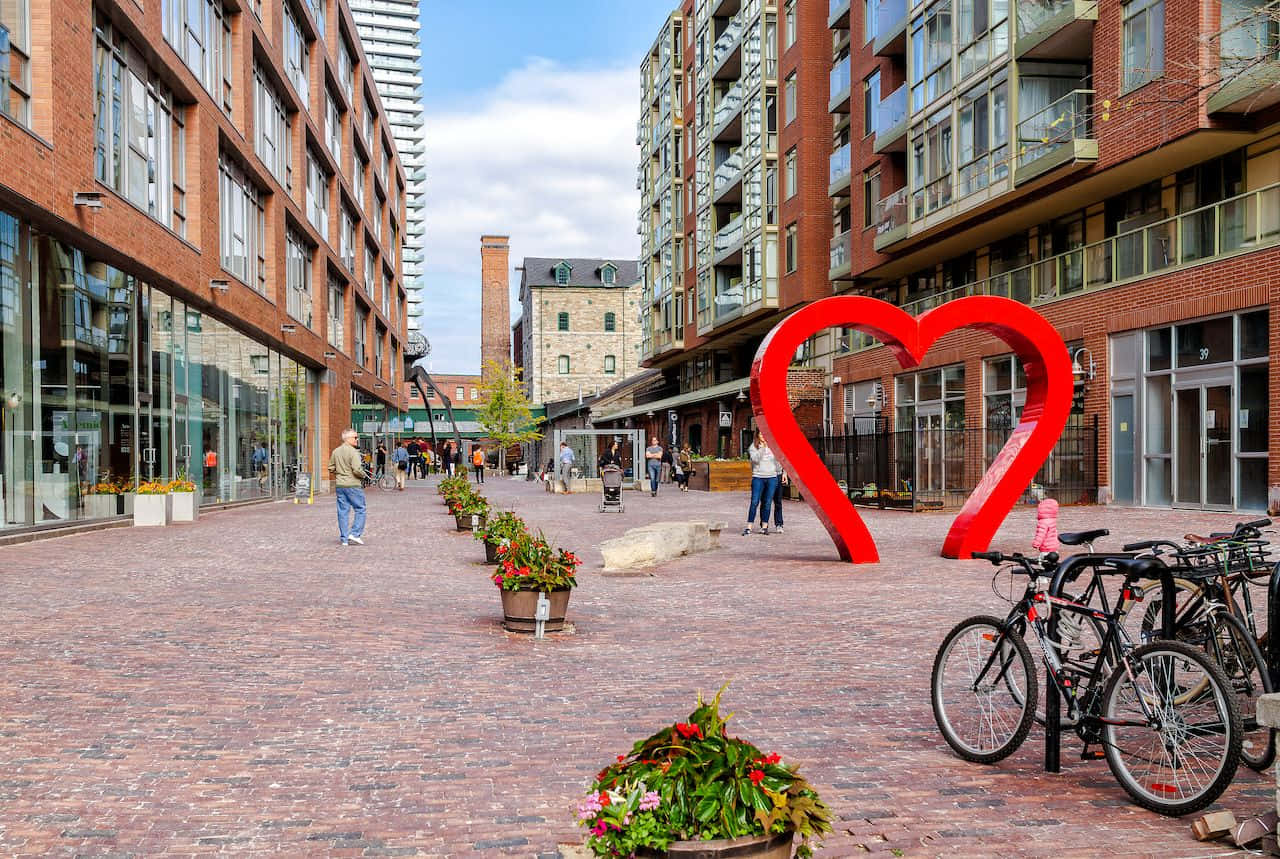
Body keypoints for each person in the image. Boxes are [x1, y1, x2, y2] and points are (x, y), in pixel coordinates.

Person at [328, 428, 367, 546]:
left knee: (343, 511)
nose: (357, 439)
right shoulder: (353, 452)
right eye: (355, 437)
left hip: (340, 485)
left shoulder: (336, 451)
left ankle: (344, 539)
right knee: (360, 509)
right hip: (353, 484)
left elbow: (331, 468)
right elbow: (357, 469)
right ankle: (355, 534)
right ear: (348, 438)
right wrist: (363, 475)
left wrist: (340, 473)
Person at [744, 431, 780, 536]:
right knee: (754, 502)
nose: (763, 436)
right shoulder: (753, 447)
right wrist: (763, 448)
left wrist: (780, 473)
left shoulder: (774, 446)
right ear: (757, 436)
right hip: (758, 477)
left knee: (768, 503)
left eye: (765, 434)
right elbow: (755, 460)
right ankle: (749, 527)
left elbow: (778, 461)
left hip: (772, 478)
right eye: (761, 434)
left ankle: (764, 527)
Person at [772, 469, 788, 534]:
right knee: (765, 502)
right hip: (766, 475)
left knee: (778, 501)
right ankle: (764, 525)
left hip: (778, 475)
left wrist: (785, 473)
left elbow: (785, 461)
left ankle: (779, 524)